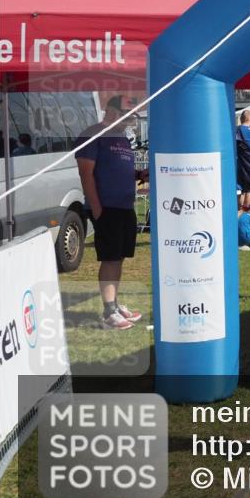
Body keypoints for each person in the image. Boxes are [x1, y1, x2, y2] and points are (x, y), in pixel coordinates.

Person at [75, 95, 147, 330]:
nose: (130, 120)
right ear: (111, 111)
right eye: (127, 114)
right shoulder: (93, 134)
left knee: (119, 257)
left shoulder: (123, 138)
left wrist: (139, 175)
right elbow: (86, 174)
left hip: (125, 207)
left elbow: (120, 169)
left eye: (133, 116)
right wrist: (97, 209)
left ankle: (114, 304)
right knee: (110, 258)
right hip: (107, 208)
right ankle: (109, 311)